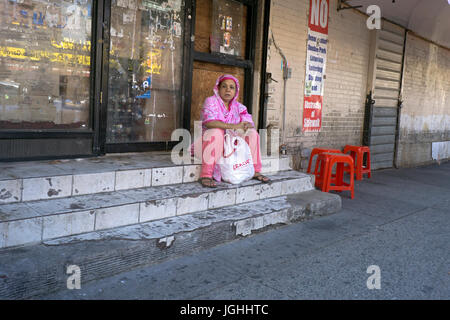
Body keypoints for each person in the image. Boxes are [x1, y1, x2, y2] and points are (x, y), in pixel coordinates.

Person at [198, 74, 270, 188]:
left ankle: (255, 170)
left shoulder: (239, 107)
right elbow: (209, 122)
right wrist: (235, 126)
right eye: (224, 86)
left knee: (253, 134)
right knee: (216, 132)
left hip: (231, 143)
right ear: (218, 88)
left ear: (236, 91)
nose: (228, 90)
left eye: (232, 87)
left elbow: (249, 124)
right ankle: (206, 174)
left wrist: (246, 126)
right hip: (212, 143)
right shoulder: (211, 101)